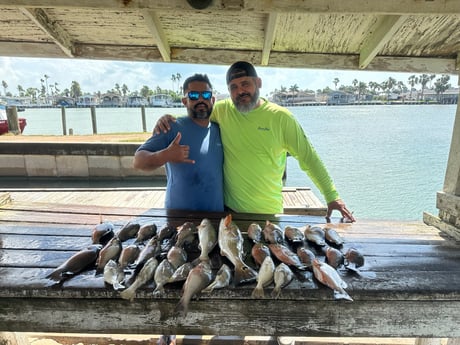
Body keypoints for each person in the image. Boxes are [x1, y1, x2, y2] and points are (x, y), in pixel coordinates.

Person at [155, 61, 355, 223]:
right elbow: (197, 112)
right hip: (229, 213)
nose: (240, 91)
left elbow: (309, 158)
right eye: (233, 87)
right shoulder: (222, 111)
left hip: (268, 214)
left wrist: (331, 196)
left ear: (258, 83)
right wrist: (168, 118)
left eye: (245, 84)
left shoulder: (281, 118)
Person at [134, 73, 224, 212]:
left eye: (205, 95)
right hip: (179, 217)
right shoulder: (171, 127)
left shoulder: (219, 129)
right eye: (193, 95)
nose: (201, 99)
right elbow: (138, 161)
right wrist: (165, 156)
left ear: (212, 99)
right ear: (184, 101)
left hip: (215, 216)